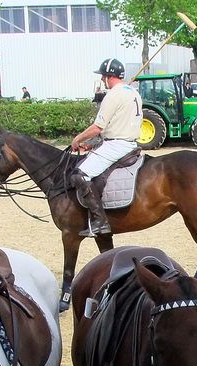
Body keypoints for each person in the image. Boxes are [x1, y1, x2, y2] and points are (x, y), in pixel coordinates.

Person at [69, 58, 143, 237]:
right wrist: (93, 144)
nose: (102, 80)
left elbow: (98, 127)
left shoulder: (114, 94)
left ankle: (99, 222)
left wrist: (78, 139)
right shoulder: (133, 92)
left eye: (103, 76)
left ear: (108, 76)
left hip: (117, 145)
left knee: (80, 175)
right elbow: (117, 124)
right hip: (129, 142)